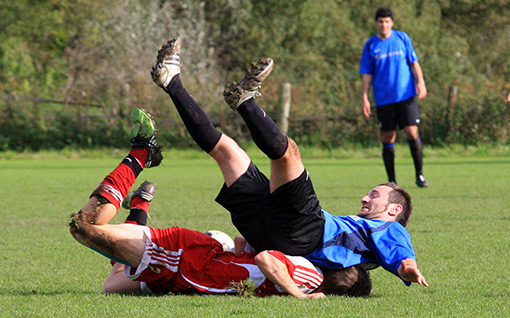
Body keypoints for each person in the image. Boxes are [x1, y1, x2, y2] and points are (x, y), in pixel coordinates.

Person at [151, 37, 428, 288]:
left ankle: (245, 100)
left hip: (306, 233)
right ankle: (171, 82)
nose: (365, 197)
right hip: (272, 237)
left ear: (394, 209)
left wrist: (409, 270)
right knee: (227, 150)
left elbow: (403, 258)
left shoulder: (391, 228)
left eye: (375, 195)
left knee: (289, 153)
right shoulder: (364, 235)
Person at [68, 109, 371, 298]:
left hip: (180, 272)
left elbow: (246, 249)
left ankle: (139, 204)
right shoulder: (311, 274)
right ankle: (141, 155)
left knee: (108, 277)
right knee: (85, 227)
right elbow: (266, 260)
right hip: (182, 255)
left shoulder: (303, 274)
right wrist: (298, 296)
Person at [359, 7, 429, 188]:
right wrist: (365, 98)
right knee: (388, 137)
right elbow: (367, 74)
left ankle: (419, 175)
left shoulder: (402, 38)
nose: (384, 25)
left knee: (412, 133)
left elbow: (414, 63)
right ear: (376, 23)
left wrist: (420, 82)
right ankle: (392, 181)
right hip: (384, 99)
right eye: (381, 22)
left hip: (406, 95)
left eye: (387, 21)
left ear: (392, 23)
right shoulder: (370, 45)